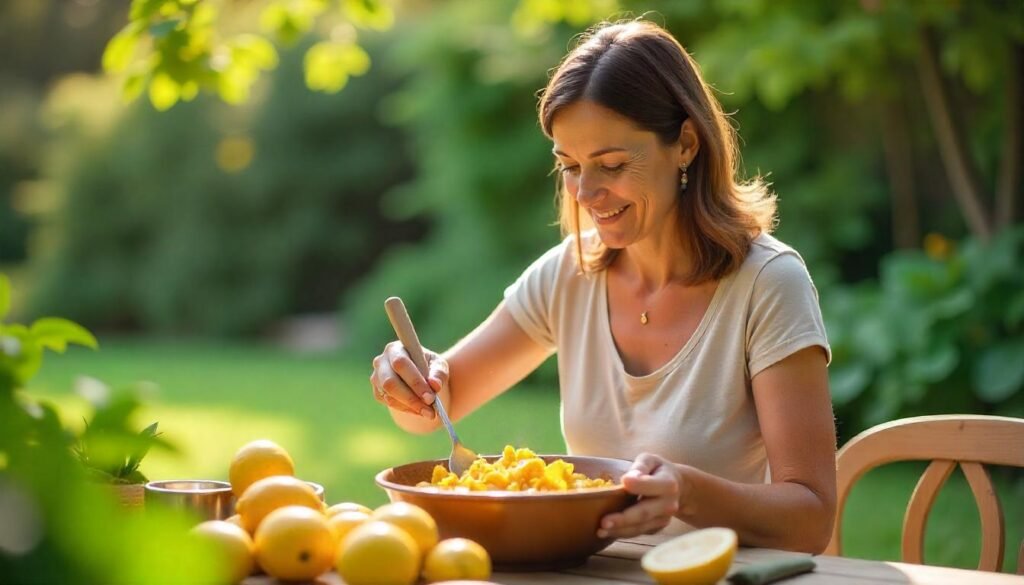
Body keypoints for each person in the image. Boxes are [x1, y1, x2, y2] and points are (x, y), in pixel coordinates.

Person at [369, 19, 836, 554]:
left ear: (685, 143)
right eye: (569, 165)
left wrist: (686, 491)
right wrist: (410, 381)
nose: (587, 192)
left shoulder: (767, 284)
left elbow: (811, 518)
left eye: (612, 164)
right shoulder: (569, 273)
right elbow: (438, 404)